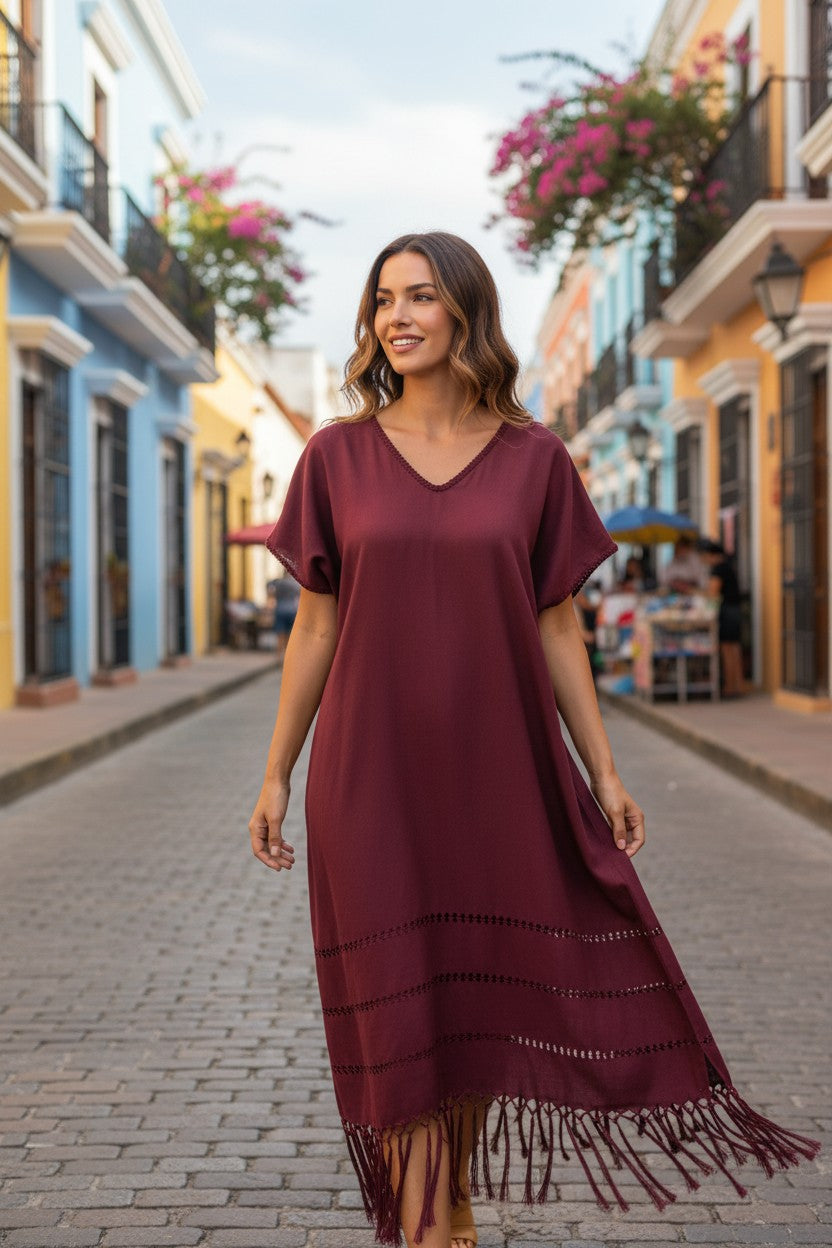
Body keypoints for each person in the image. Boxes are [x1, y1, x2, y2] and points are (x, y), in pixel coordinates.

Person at [248, 232, 817, 1248]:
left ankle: (443, 1216)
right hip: (367, 784)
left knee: (470, 1012)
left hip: (501, 776)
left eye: (422, 296)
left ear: (466, 312)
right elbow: (318, 625)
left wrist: (602, 768)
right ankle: (431, 1229)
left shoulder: (534, 461)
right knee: (401, 1013)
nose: (399, 317)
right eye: (384, 301)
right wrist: (276, 773)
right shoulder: (334, 456)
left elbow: (556, 621)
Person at [699, 538, 745, 698]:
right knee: (735, 649)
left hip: (727, 612)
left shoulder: (718, 569)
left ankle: (730, 687)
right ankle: (739, 685)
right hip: (735, 610)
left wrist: (697, 592)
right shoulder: (728, 566)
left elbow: (713, 592)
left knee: (727, 650)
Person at [269, 572, 301, 663]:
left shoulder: (278, 583)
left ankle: (279, 656)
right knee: (290, 635)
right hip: (292, 610)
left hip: (280, 610)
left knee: (280, 634)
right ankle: (288, 657)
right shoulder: (295, 583)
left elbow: (269, 587)